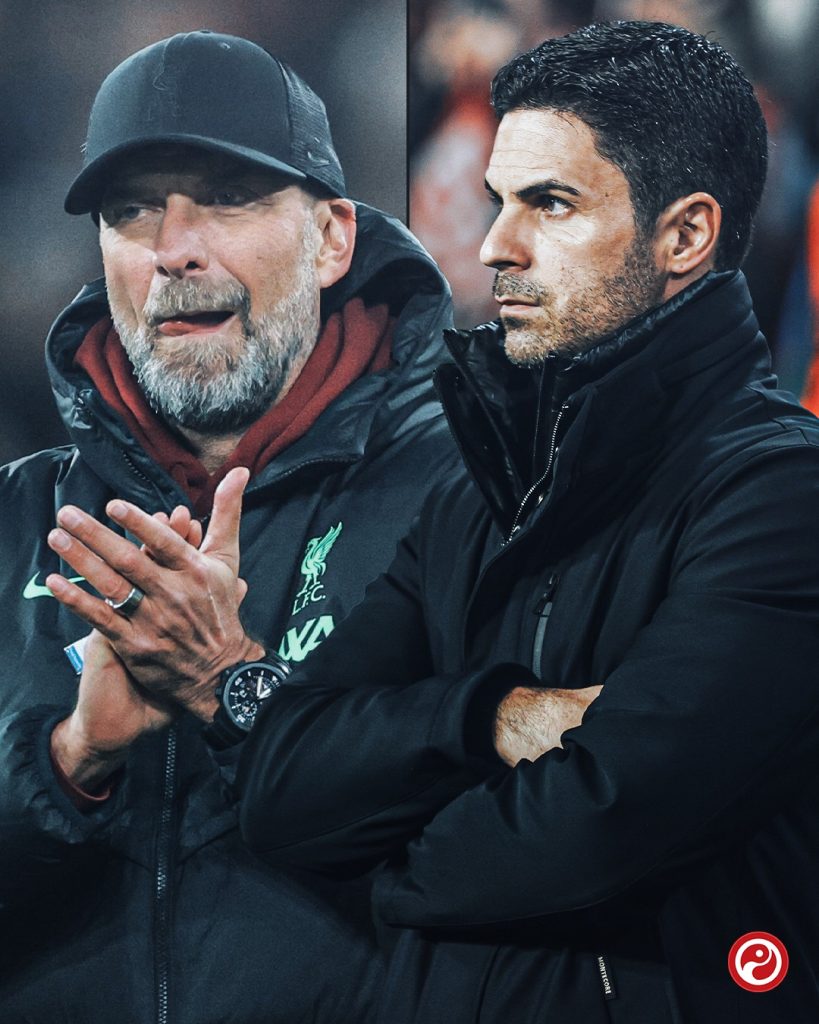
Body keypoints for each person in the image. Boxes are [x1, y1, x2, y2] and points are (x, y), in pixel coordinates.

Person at [229, 21, 819, 1024]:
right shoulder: (476, 494)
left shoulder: (782, 495)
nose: (493, 243)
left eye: (549, 203)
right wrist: (487, 716)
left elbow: (592, 832)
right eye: (499, 198)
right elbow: (281, 788)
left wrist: (381, 868)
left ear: (685, 236)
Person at [0, 30, 459, 1024]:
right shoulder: (14, 522)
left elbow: (517, 858)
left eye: (227, 198)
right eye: (132, 211)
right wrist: (69, 763)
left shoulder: (465, 499)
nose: (173, 249)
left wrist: (230, 685)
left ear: (332, 238)